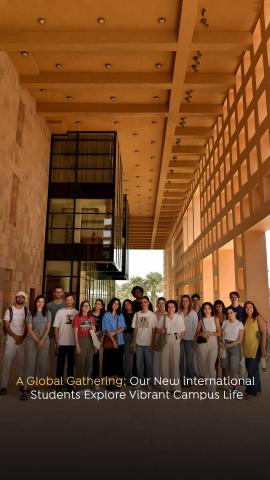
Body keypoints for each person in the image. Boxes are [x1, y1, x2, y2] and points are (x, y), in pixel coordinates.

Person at [21, 295, 51, 400]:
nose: (40, 303)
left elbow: (48, 327)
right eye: (39, 301)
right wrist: (37, 340)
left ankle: (35, 387)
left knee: (41, 363)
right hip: (31, 341)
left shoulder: (48, 313)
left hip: (44, 341)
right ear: (35, 302)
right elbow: (29, 329)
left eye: (42, 302)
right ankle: (25, 388)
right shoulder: (30, 313)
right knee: (30, 363)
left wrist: (42, 340)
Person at [0, 291, 28, 396]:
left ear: (24, 299)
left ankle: (21, 385)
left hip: (22, 340)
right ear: (16, 298)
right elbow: (6, 326)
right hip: (11, 340)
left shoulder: (26, 310)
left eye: (22, 297)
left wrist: (22, 337)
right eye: (18, 297)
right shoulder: (9, 310)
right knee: (7, 363)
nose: (20, 298)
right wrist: (16, 337)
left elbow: (27, 325)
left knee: (22, 364)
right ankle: (3, 386)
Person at [54, 294, 78, 390]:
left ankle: (70, 386)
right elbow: (56, 327)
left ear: (73, 301)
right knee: (60, 365)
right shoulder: (60, 312)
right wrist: (56, 341)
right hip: (61, 342)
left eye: (70, 300)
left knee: (71, 366)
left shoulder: (77, 313)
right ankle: (58, 386)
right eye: (67, 300)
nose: (69, 301)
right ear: (65, 301)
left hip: (72, 343)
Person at [242, 301, 267, 398]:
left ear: (254, 308)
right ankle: (257, 388)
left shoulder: (258, 317)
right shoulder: (245, 319)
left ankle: (251, 392)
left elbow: (264, 333)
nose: (249, 309)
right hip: (247, 348)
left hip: (255, 347)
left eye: (250, 307)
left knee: (251, 370)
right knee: (253, 370)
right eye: (247, 307)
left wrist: (263, 348)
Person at [160, 300, 186, 392]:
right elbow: (159, 330)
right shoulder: (163, 318)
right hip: (165, 340)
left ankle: (175, 388)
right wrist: (161, 331)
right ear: (167, 308)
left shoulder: (179, 317)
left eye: (172, 306)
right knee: (164, 364)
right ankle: (165, 387)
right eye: (169, 306)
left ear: (175, 308)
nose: (171, 308)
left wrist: (178, 339)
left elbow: (183, 331)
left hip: (175, 340)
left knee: (174, 364)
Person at [196, 302, 221, 393]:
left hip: (213, 345)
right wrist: (202, 333)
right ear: (203, 310)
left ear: (211, 309)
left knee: (211, 366)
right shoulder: (201, 320)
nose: (207, 310)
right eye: (205, 308)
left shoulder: (215, 319)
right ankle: (208, 386)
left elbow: (219, 333)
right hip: (202, 345)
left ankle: (213, 389)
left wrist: (210, 333)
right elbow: (196, 334)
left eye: (209, 308)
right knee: (205, 366)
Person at [131, 296, 157, 386]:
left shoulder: (153, 315)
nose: (143, 304)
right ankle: (140, 381)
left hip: (148, 344)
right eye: (142, 302)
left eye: (145, 302)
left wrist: (152, 343)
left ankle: (149, 382)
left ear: (148, 303)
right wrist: (133, 343)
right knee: (139, 365)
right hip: (138, 344)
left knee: (149, 365)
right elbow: (135, 329)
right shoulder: (137, 314)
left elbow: (154, 331)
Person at [219, 307, 244, 393]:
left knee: (234, 368)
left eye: (231, 313)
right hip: (224, 345)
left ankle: (236, 388)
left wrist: (230, 345)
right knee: (226, 367)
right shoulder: (225, 322)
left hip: (235, 346)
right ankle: (228, 386)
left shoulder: (240, 324)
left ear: (235, 313)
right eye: (228, 313)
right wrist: (221, 342)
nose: (229, 315)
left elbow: (240, 339)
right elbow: (221, 334)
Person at [102, 298, 126, 385]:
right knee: (109, 363)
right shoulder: (106, 315)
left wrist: (115, 332)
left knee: (118, 363)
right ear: (111, 304)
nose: (116, 305)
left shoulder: (120, 315)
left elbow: (123, 327)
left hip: (120, 341)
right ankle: (109, 383)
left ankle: (116, 382)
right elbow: (106, 330)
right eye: (114, 303)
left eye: (117, 304)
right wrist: (113, 341)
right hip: (109, 342)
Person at [73, 300, 96, 383]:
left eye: (88, 306)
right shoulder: (77, 317)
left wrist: (94, 329)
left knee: (89, 364)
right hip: (81, 340)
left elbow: (93, 330)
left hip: (90, 341)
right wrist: (77, 345)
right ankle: (79, 385)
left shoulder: (91, 317)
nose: (86, 307)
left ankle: (86, 385)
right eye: (84, 305)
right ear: (81, 307)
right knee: (80, 363)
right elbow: (75, 333)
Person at [46, 286, 65, 377]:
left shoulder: (65, 305)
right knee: (52, 359)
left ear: (62, 293)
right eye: (56, 292)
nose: (58, 294)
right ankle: (53, 379)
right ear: (54, 293)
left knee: (62, 359)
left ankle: (61, 379)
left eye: (60, 292)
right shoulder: (49, 305)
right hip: (52, 335)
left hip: (64, 336)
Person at [179, 295, 198, 384]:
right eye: (183, 301)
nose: (185, 302)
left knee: (189, 360)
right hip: (180, 339)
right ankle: (182, 379)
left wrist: (195, 340)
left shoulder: (193, 313)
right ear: (181, 302)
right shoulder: (179, 313)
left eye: (186, 300)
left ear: (189, 302)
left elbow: (195, 328)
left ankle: (189, 380)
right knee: (180, 360)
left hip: (190, 340)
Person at [91, 298, 105, 379]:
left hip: (100, 339)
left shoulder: (104, 316)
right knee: (91, 359)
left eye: (99, 304)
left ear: (102, 306)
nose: (97, 305)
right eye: (96, 303)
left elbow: (105, 328)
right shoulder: (90, 314)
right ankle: (91, 377)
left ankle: (97, 378)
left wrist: (99, 334)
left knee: (98, 359)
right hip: (90, 338)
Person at [122, 299, 135, 384]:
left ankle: (128, 377)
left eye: (128, 304)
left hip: (133, 336)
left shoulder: (136, 314)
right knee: (125, 357)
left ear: (131, 304)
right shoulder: (122, 313)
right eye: (125, 305)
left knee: (129, 358)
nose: (127, 306)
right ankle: (125, 377)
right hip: (123, 335)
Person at [153, 297, 166, 378]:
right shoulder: (153, 314)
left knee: (163, 358)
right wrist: (157, 330)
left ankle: (163, 377)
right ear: (157, 304)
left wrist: (161, 331)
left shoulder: (167, 314)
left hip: (163, 338)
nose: (160, 305)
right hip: (154, 337)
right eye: (159, 303)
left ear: (164, 304)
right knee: (155, 357)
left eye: (162, 303)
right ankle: (155, 377)